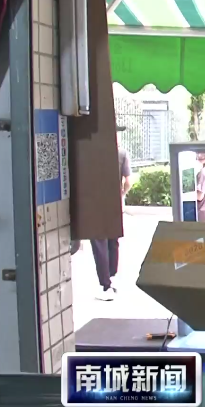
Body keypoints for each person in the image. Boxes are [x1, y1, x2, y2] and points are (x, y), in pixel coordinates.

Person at [91, 125, 132, 301]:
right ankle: (113, 276)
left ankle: (105, 284)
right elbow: (128, 181)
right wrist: (121, 194)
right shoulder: (122, 154)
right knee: (113, 239)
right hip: (114, 202)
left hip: (96, 202)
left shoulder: (94, 154)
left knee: (99, 241)